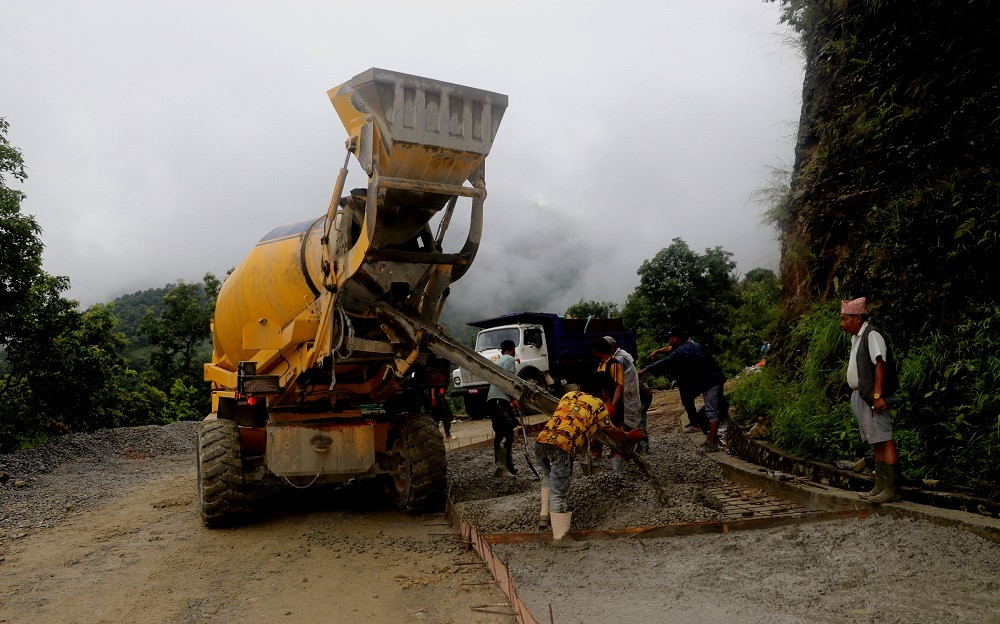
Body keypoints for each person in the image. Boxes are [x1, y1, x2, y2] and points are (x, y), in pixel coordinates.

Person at [534, 371, 647, 547]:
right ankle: (560, 538)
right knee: (560, 492)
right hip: (562, 447)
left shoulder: (569, 395)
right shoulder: (598, 405)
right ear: (603, 392)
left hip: (541, 442)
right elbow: (611, 431)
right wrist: (629, 435)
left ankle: (544, 517)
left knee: (548, 476)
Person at [840, 297, 901, 503]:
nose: (842, 323)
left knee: (884, 438)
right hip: (861, 395)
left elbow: (880, 364)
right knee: (875, 441)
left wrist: (877, 395)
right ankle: (880, 486)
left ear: (857, 318)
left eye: (845, 319)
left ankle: (891, 489)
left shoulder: (871, 334)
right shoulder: (856, 337)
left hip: (871, 396)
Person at [641, 326, 727, 451]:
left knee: (711, 411)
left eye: (671, 338)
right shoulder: (691, 345)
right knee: (709, 410)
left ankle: (712, 442)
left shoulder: (683, 350)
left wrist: (644, 370)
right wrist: (657, 351)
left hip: (711, 382)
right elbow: (670, 350)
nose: (669, 340)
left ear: (676, 338)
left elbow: (665, 362)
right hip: (712, 380)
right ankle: (711, 438)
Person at [589, 337, 625, 467]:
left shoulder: (613, 364)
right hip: (600, 407)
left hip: (611, 405)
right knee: (597, 438)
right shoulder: (600, 365)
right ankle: (595, 467)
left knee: (614, 436)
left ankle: (617, 470)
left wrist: (613, 406)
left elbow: (619, 386)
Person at [486, 339, 519, 477]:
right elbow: (508, 380)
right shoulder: (510, 360)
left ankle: (508, 466)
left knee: (504, 431)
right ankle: (502, 468)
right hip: (500, 400)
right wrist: (514, 398)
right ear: (512, 349)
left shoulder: (498, 361)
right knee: (505, 432)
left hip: (492, 399)